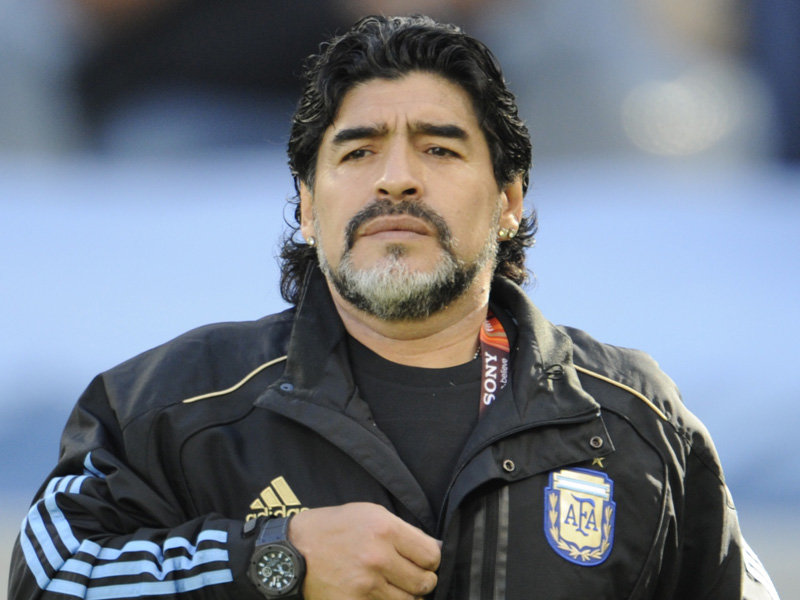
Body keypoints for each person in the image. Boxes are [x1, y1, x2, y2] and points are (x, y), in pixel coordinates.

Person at [8, 14, 779, 600]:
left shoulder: (635, 419)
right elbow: (46, 578)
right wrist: (276, 561)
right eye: (358, 151)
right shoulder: (172, 407)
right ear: (308, 207)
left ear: (509, 202)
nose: (397, 178)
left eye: (440, 148)